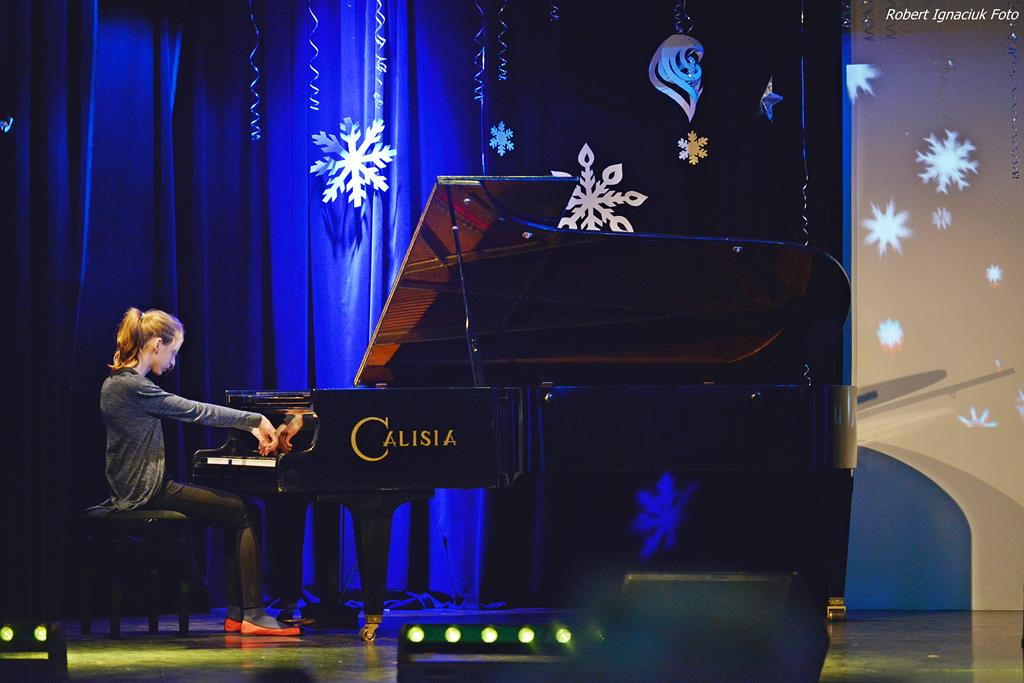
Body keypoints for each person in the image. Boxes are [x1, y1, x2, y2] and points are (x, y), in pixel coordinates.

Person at [98, 307, 299, 636]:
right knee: (245, 513)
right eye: (173, 351)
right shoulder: (132, 387)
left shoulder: (117, 383)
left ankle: (238, 614)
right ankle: (252, 614)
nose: (173, 361)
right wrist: (255, 420)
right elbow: (194, 411)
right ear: (157, 345)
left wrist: (250, 425)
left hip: (134, 490)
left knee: (235, 512)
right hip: (146, 493)